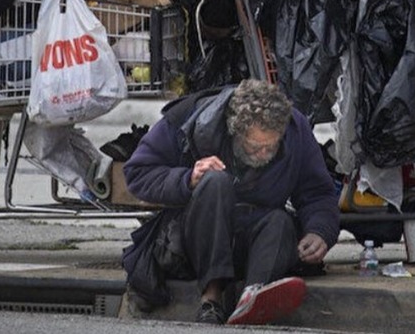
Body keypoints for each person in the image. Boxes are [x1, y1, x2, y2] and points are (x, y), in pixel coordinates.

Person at [121, 79, 340, 325]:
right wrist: (187, 179)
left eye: (271, 147)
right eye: (256, 147)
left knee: (280, 221)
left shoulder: (295, 128)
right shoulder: (187, 119)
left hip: (254, 237)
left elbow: (317, 192)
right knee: (215, 182)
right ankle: (211, 299)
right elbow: (138, 173)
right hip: (195, 239)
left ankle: (253, 297)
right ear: (235, 131)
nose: (264, 154)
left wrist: (319, 231)